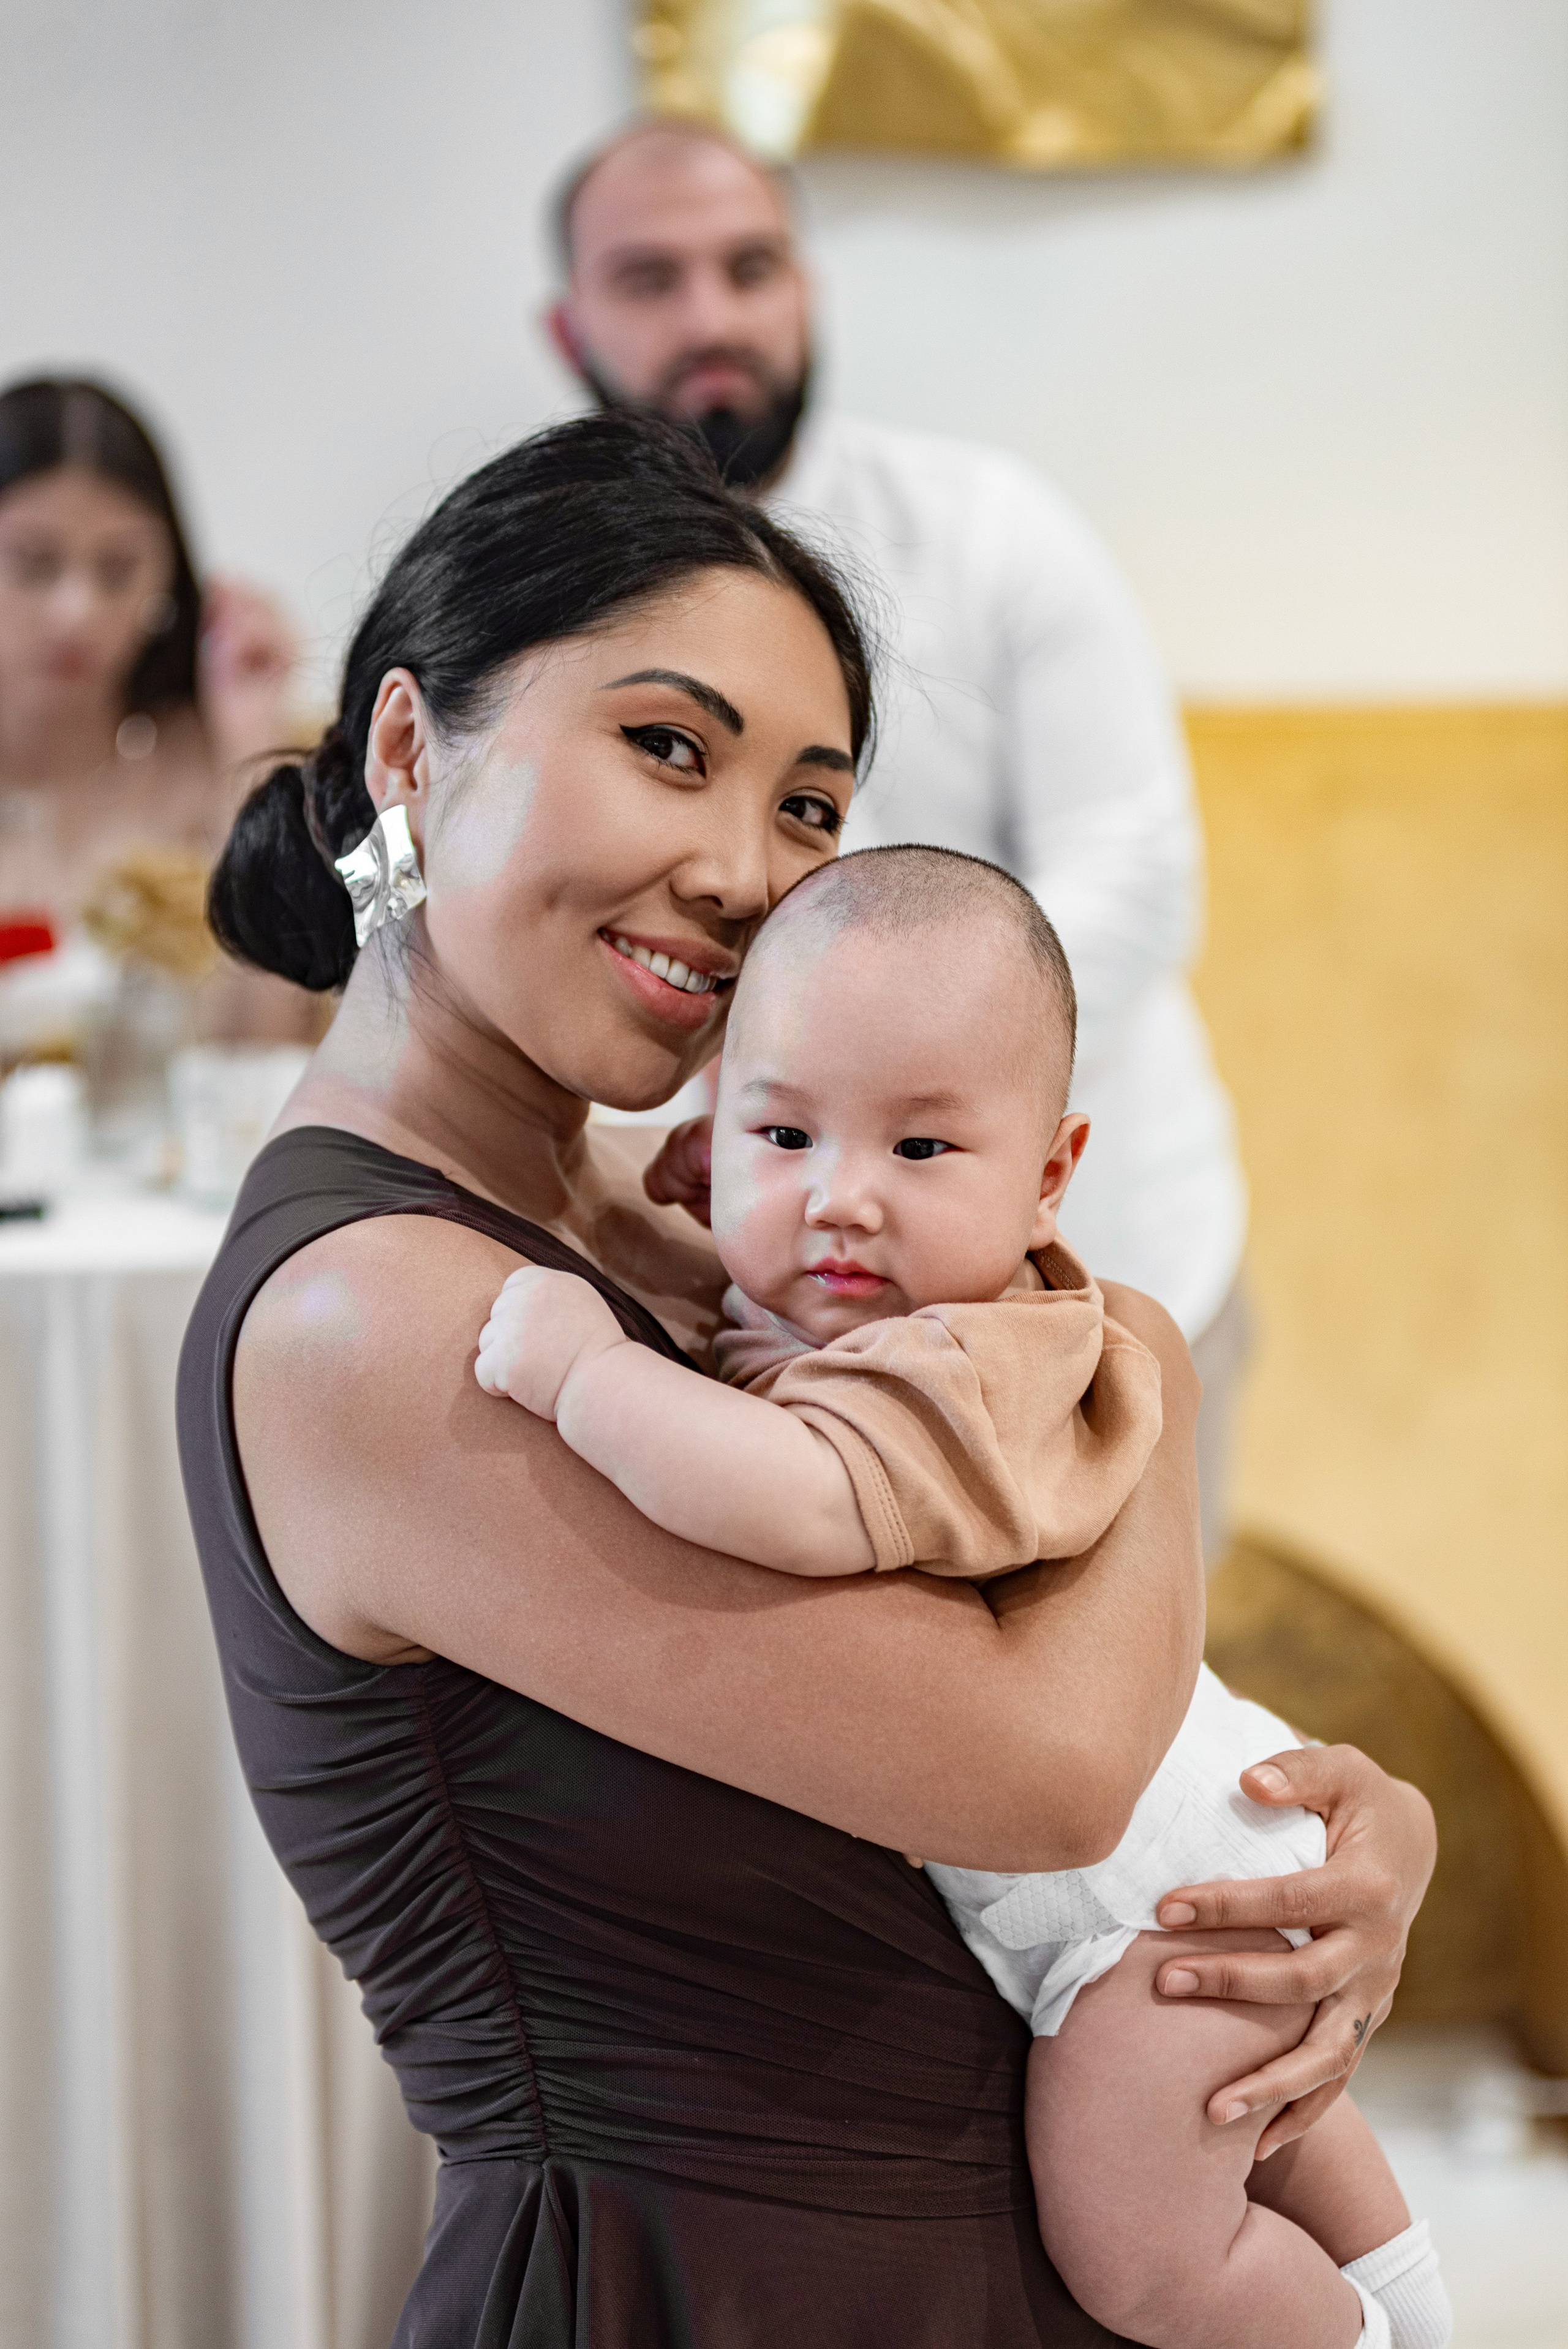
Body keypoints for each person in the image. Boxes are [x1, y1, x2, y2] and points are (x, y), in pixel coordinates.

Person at [182, 411, 1434, 2347]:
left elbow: (1063, 1701)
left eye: (810, 807)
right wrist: (1138, 1367)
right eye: (668, 748)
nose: (743, 871)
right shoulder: (383, 1322)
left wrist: (1317, 1838)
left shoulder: (646, 1243)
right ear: (412, 751)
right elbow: (1046, 1767)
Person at [475, 844, 1451, 2349]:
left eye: (921, 1152)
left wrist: (582, 1370)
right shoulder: (861, 1299)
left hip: (1142, 1912)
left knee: (1142, 2247)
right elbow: (747, 1309)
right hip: (1174, 1838)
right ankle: (1403, 2284)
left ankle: (1361, 2335)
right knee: (1265, 2121)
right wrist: (676, 1199)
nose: (843, 1200)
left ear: (1049, 1175)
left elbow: (789, 1492)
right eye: (784, 1129)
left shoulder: (964, 1361)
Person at [545, 118, 1250, 1563]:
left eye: (749, 267)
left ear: (806, 283)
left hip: (1104, 1265)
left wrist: (856, 1100)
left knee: (1102, 1722)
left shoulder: (992, 531)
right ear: (568, 324)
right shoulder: (539, 594)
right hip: (733, 1285)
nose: (713, 318)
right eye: (651, 278)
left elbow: (1135, 870)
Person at [0, 375, 318, 1043]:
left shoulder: (214, 759)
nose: (76, 611)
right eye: (33, 564)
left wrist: (252, 752)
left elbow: (271, 1059)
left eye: (118, 570)